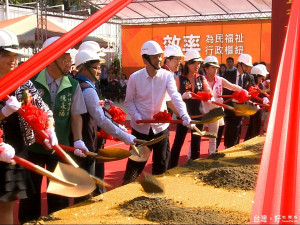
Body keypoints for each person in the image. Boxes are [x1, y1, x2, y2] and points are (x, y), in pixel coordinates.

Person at [19, 36, 89, 223]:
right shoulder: (30, 81)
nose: (69, 63)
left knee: (59, 197)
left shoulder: (72, 85)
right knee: (30, 196)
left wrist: (78, 140)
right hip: (32, 148)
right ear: (50, 59)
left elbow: (75, 115)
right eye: (64, 59)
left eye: (69, 59)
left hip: (61, 148)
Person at [0, 29, 58, 225]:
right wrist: (3, 113)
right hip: (1, 147)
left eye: (15, 55)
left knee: (8, 203)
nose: (13, 60)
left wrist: (50, 129)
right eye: (8, 55)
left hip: (15, 149)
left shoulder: (22, 82)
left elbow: (45, 110)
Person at [122, 40, 192, 184]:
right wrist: (136, 116)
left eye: (160, 56)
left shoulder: (167, 76)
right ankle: (124, 193)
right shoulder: (135, 78)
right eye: (155, 57)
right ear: (145, 59)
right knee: (134, 167)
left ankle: (158, 198)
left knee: (161, 166)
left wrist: (184, 114)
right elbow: (129, 101)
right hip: (141, 130)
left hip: (161, 130)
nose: (159, 60)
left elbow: (175, 96)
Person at [73, 49, 137, 202]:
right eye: (95, 67)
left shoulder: (78, 83)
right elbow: (100, 120)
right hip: (86, 140)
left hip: (80, 139)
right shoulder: (87, 89)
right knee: (85, 187)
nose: (99, 71)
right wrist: (125, 137)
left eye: (99, 67)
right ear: (83, 68)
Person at [168, 50, 213, 169]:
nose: (197, 66)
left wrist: (207, 96)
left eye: (199, 64)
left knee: (196, 143)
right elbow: (173, 96)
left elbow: (209, 93)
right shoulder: (179, 79)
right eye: (195, 63)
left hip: (199, 116)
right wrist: (182, 96)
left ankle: (194, 167)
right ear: (188, 64)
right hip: (184, 117)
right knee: (178, 142)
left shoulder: (201, 78)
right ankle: (171, 166)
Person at [202, 56, 246, 155]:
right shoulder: (201, 80)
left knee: (214, 135)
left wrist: (243, 91)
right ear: (206, 68)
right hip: (202, 111)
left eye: (216, 67)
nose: (215, 70)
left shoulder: (220, 80)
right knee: (196, 136)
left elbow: (232, 86)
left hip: (216, 111)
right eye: (213, 67)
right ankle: (191, 156)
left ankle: (212, 154)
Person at [222, 53, 255, 148]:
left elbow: (252, 90)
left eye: (249, 66)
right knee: (230, 127)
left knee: (237, 126)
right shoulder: (228, 73)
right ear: (239, 64)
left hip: (241, 106)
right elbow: (224, 88)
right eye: (246, 66)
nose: (248, 68)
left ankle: (233, 147)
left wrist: (249, 95)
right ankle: (228, 147)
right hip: (229, 105)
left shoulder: (250, 77)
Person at [244, 64, 269, 141]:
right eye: (261, 78)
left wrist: (265, 98)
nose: (262, 80)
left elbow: (261, 92)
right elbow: (253, 93)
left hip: (258, 108)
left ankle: (249, 141)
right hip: (252, 107)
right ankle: (249, 141)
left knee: (255, 126)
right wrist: (262, 100)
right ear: (256, 76)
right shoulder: (250, 84)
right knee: (253, 127)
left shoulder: (260, 84)